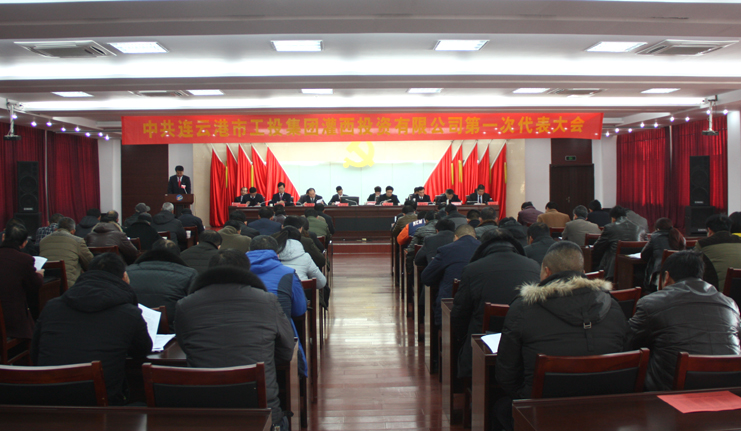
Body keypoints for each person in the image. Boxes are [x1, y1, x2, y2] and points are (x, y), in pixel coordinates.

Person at [495, 241, 627, 431]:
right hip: (605, 410)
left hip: (542, 411)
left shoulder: (523, 308)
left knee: (499, 408)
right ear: (583, 272)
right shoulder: (613, 305)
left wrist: (526, 398)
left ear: (546, 272)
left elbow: (506, 375)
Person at [175, 249, 294, 428]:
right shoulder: (267, 301)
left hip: (204, 411)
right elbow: (286, 351)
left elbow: (185, 346)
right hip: (260, 410)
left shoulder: (185, 304)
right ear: (247, 270)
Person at [31, 253, 152, 405]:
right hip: (101, 403)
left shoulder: (52, 307)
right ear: (124, 277)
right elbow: (142, 350)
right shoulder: (129, 313)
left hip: (47, 399)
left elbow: (35, 353)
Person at [629, 251, 741, 391]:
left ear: (666, 276)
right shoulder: (730, 304)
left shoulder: (651, 303)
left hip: (672, 393)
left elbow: (629, 343)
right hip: (730, 388)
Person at [452, 229, 541, 379]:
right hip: (524, 347)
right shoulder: (534, 266)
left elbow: (460, 314)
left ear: (482, 245)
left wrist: (463, 339)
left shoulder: (472, 269)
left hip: (482, 345)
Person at [248, 235, 309, 378]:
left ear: (249, 251)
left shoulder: (235, 272)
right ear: (277, 254)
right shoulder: (287, 273)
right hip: (278, 340)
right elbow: (299, 310)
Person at [126, 239, 197, 328]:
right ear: (178, 255)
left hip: (132, 327)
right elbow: (194, 308)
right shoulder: (189, 274)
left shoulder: (128, 271)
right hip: (173, 330)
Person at [422, 225, 481, 328]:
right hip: (479, 310)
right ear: (475, 237)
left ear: (456, 237)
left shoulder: (446, 250)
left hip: (450, 308)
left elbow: (426, 277)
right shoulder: (483, 249)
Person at [0, 223, 43, 340]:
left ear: (3, 237)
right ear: (24, 243)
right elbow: (35, 285)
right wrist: (39, 275)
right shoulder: (25, 260)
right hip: (12, 319)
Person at [592, 205, 645, 280]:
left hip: (614, 269)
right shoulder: (640, 228)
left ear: (613, 218)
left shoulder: (610, 228)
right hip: (638, 270)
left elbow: (598, 247)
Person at [39, 217, 94, 287]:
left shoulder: (43, 241)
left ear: (56, 229)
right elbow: (90, 263)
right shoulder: (78, 241)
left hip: (47, 286)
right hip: (70, 286)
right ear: (73, 231)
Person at [694, 214, 741, 289]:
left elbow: (694, 268)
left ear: (709, 230)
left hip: (717, 293)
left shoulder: (703, 244)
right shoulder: (739, 240)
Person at [641, 217, 685, 291]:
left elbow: (644, 255)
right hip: (680, 273)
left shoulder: (655, 236)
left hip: (662, 273)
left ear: (657, 228)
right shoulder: (680, 237)